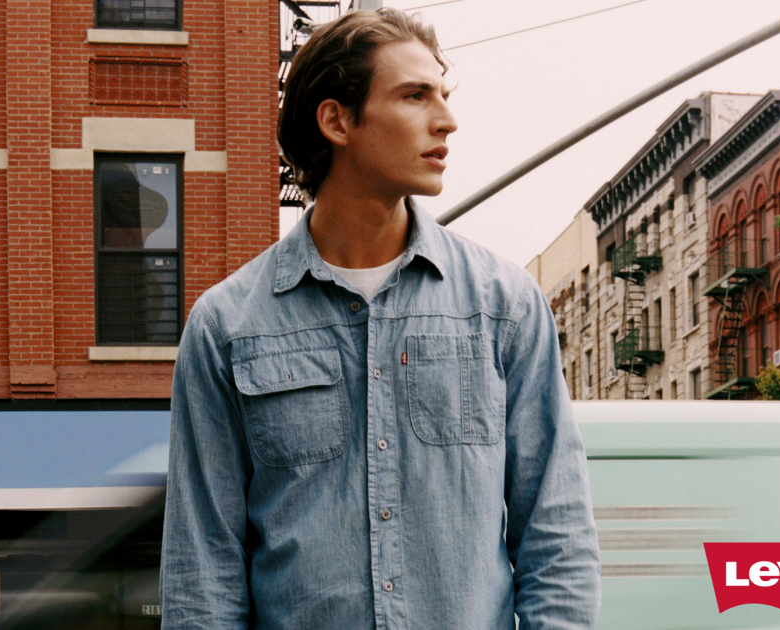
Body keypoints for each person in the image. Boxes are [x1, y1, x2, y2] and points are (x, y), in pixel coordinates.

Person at [160, 7, 600, 629]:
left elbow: (556, 534)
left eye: (442, 95)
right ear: (337, 119)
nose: (447, 120)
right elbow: (201, 571)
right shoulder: (226, 328)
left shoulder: (504, 305)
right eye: (415, 96)